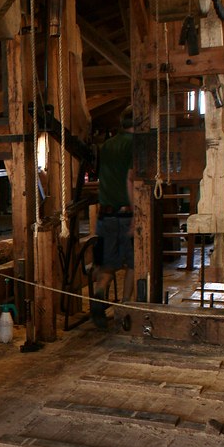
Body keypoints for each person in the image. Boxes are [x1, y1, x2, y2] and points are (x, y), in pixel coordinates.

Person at [90, 107, 135, 328]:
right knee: (134, 265)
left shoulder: (106, 145)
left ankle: (98, 299)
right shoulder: (134, 144)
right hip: (126, 214)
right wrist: (136, 212)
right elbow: (130, 179)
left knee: (107, 266)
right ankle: (124, 309)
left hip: (105, 215)